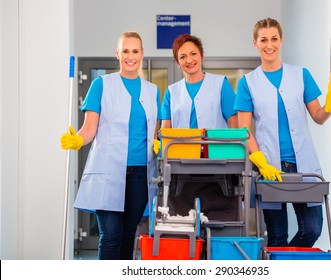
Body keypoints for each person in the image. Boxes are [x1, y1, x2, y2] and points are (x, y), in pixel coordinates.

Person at [234, 18, 331, 247]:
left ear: (281, 40)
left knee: (312, 228)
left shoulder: (301, 75)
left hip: (304, 165)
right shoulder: (248, 83)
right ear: (255, 43)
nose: (269, 44)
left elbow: (318, 116)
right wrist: (260, 161)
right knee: (276, 236)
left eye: (274, 38)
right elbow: (244, 130)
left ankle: (284, 263)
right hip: (270, 167)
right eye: (263, 39)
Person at [60, 31, 161, 259]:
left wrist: (158, 143)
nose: (130, 56)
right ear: (117, 53)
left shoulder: (152, 90)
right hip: (108, 170)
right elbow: (89, 129)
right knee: (111, 234)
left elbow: (154, 131)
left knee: (127, 235)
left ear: (142, 54)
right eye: (125, 51)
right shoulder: (101, 85)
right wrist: (77, 139)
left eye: (135, 51)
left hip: (140, 174)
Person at [158, 34, 239, 220]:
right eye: (183, 57)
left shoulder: (221, 85)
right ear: (178, 62)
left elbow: (235, 128)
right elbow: (166, 132)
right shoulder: (172, 92)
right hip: (182, 169)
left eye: (193, 53)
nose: (189, 60)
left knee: (219, 227)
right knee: (182, 230)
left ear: (202, 55)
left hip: (218, 168)